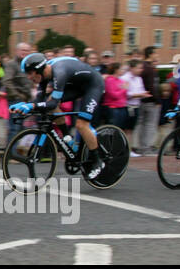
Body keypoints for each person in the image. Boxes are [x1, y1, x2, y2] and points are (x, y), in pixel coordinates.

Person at [12, 51, 112, 180]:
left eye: (30, 73)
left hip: (93, 85)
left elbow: (53, 103)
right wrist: (24, 106)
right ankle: (66, 136)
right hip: (77, 85)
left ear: (39, 69)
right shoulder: (44, 75)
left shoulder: (60, 72)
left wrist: (31, 106)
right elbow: (39, 100)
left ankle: (98, 161)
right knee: (48, 104)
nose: (28, 77)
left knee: (81, 125)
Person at [121, 59, 151, 156]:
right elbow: (125, 93)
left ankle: (129, 149)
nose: (140, 70)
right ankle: (124, 149)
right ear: (132, 68)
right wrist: (138, 95)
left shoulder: (139, 79)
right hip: (127, 106)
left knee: (131, 129)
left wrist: (143, 94)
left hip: (136, 106)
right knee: (125, 129)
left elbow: (141, 90)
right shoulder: (125, 78)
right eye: (139, 68)